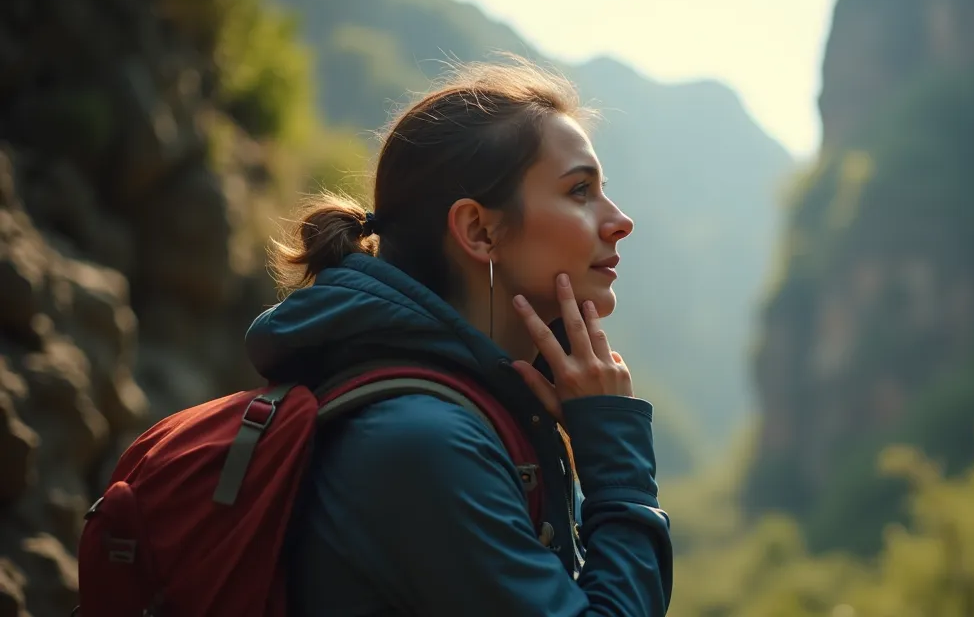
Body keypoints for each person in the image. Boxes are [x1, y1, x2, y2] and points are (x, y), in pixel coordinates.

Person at [243, 57, 673, 615]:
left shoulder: (470, 414)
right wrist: (616, 457)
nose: (619, 220)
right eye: (579, 191)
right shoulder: (424, 443)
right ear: (478, 231)